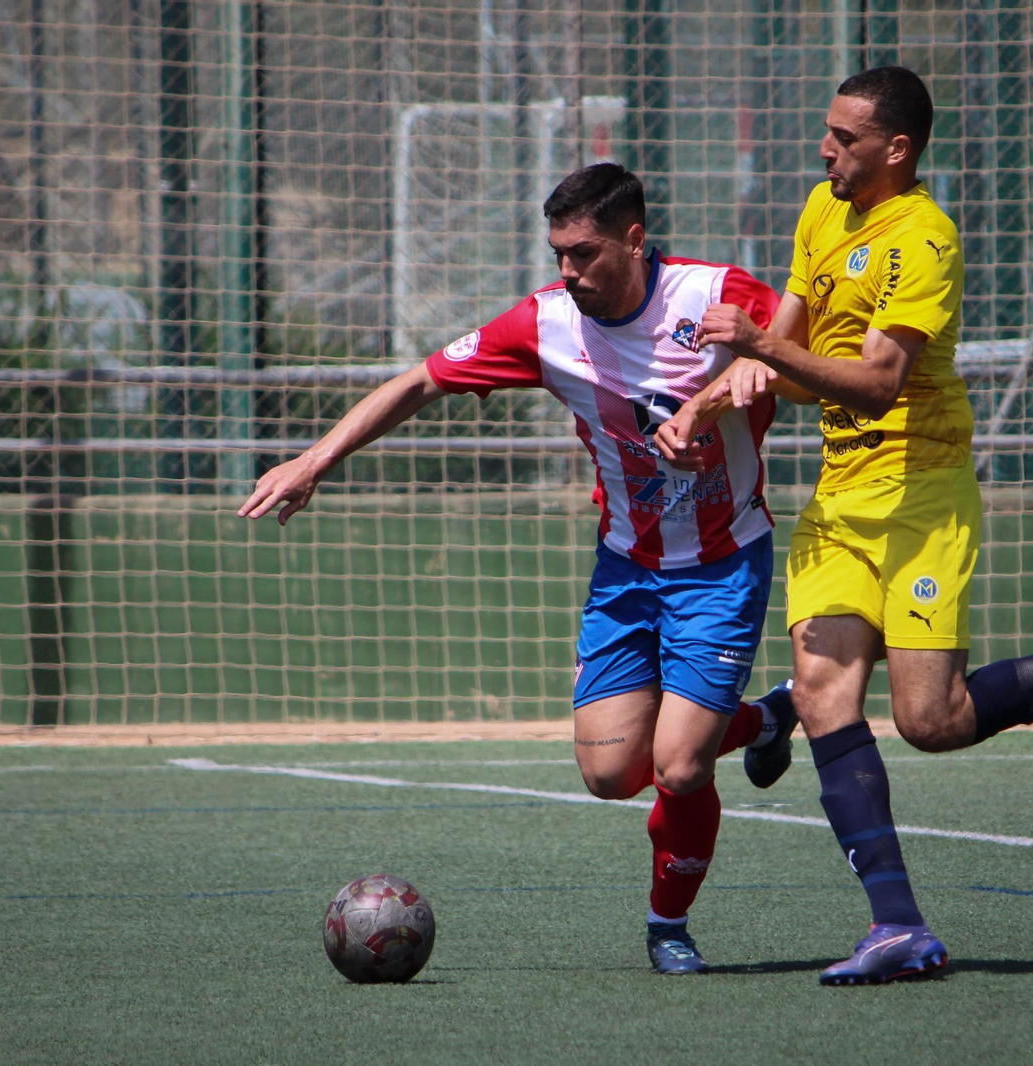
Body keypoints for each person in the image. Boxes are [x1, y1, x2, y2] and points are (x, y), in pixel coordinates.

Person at [656, 66, 1033, 985]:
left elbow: (875, 379)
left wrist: (759, 349)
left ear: (897, 149)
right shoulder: (819, 213)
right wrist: (711, 402)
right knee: (828, 693)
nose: (826, 149)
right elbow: (790, 356)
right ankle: (898, 928)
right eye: (828, 132)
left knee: (932, 721)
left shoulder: (926, 239)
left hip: (922, 494)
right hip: (840, 498)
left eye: (844, 138)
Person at [239, 163, 803, 975]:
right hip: (625, 568)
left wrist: (756, 370)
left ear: (634, 240)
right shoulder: (543, 325)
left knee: (679, 765)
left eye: (583, 253)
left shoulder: (717, 295)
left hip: (722, 563)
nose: (567, 271)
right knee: (612, 773)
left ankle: (666, 924)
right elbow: (420, 382)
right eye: (558, 254)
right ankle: (767, 719)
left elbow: (816, 359)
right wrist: (315, 460)